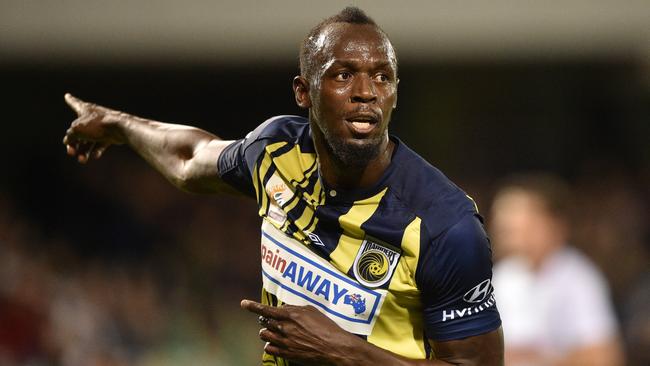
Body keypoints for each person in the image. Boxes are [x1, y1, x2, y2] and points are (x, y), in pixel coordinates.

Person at [63, 7, 503, 365]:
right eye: (343, 75)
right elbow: (190, 157)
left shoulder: (446, 226)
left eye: (382, 76)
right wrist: (119, 125)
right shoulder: (275, 150)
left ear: (394, 93)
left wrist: (344, 352)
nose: (366, 91)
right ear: (304, 91)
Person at [489, 173, 624, 366]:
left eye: (522, 221)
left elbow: (606, 355)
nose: (508, 228)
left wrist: (539, 359)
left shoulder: (577, 277)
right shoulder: (503, 277)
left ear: (553, 225)